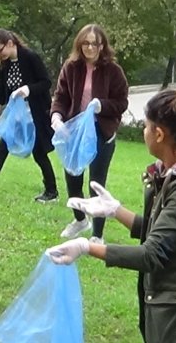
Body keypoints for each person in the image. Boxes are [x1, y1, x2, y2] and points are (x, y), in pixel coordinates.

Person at [46, 79, 176, 343]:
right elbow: (167, 235)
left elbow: (152, 254)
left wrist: (87, 247)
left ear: (159, 135)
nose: (144, 132)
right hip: (175, 312)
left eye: (146, 126)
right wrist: (115, 211)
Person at [51, 24, 128, 240]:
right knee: (72, 175)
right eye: (86, 43)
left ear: (102, 45)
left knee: (96, 182)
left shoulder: (113, 71)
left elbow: (122, 102)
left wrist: (101, 105)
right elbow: (61, 96)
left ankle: (97, 234)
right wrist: (56, 117)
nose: (90, 47)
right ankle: (80, 220)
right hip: (74, 130)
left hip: (102, 131)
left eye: (95, 43)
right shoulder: (71, 67)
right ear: (80, 44)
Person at [0, 28, 58, 202]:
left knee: (39, 153)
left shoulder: (31, 57)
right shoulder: (4, 65)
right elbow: (1, 94)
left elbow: (46, 82)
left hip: (36, 114)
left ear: (10, 44)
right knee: (3, 145)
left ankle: (51, 191)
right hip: (17, 116)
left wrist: (27, 89)